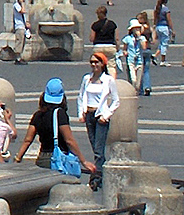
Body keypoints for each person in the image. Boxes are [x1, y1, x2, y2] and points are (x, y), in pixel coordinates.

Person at [14, 78, 95, 173]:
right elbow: (69, 141)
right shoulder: (60, 114)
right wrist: (84, 161)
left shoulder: (38, 115)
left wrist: (18, 159)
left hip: (42, 158)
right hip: (58, 159)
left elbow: (27, 140)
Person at [78, 52, 119, 187]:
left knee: (98, 149)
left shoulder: (108, 80)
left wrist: (106, 115)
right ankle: (102, 174)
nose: (94, 65)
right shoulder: (86, 79)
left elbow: (115, 100)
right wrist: (81, 113)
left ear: (103, 64)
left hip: (100, 116)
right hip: (89, 114)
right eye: (92, 62)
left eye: (97, 62)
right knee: (94, 146)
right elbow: (81, 96)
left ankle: (96, 178)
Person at [10, 0, 31, 64]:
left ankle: (20, 57)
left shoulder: (21, 5)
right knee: (19, 42)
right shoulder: (16, 5)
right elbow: (22, 11)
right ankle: (17, 58)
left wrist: (27, 23)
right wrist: (22, 4)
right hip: (19, 27)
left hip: (23, 26)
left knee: (23, 42)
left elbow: (24, 15)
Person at [153, 0, 173, 65]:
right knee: (164, 44)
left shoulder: (157, 8)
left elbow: (155, 18)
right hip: (164, 27)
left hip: (158, 27)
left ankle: (155, 55)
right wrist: (172, 29)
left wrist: (154, 25)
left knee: (161, 43)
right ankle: (163, 60)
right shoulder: (166, 9)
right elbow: (169, 20)